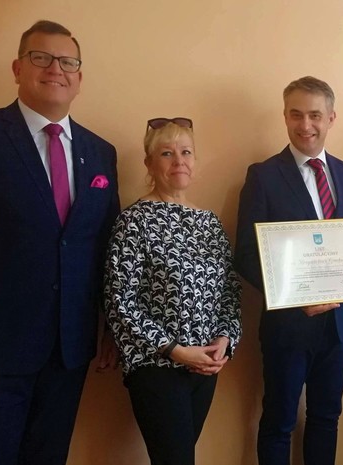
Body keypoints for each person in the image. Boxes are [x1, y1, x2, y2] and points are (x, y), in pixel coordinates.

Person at [0, 20, 119, 464]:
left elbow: (104, 251)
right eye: (41, 58)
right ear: (18, 68)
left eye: (68, 62)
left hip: (68, 355)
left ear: (79, 77)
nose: (55, 68)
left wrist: (112, 328)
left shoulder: (101, 152)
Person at [235, 76, 343, 465]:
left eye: (315, 115)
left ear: (331, 118)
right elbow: (246, 254)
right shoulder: (263, 175)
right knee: (279, 422)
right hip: (287, 325)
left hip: (339, 326)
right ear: (284, 116)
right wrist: (294, 296)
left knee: (327, 419)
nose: (305, 125)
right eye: (296, 114)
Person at [104, 117, 242, 464]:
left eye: (186, 152)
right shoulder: (134, 221)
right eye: (166, 153)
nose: (179, 160)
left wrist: (225, 340)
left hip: (205, 367)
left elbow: (230, 292)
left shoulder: (210, 223)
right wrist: (175, 350)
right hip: (157, 367)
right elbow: (119, 302)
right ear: (149, 163)